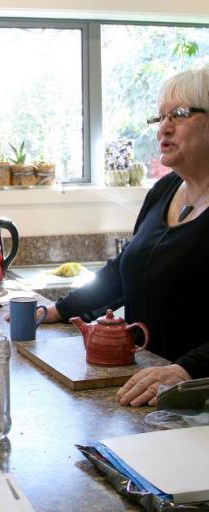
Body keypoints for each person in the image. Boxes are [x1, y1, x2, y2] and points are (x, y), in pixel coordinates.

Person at [43, 65, 209, 407]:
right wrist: (58, 310)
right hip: (148, 385)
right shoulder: (164, 190)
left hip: (196, 394)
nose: (164, 127)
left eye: (179, 114)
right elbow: (124, 271)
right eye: (160, 117)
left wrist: (186, 370)